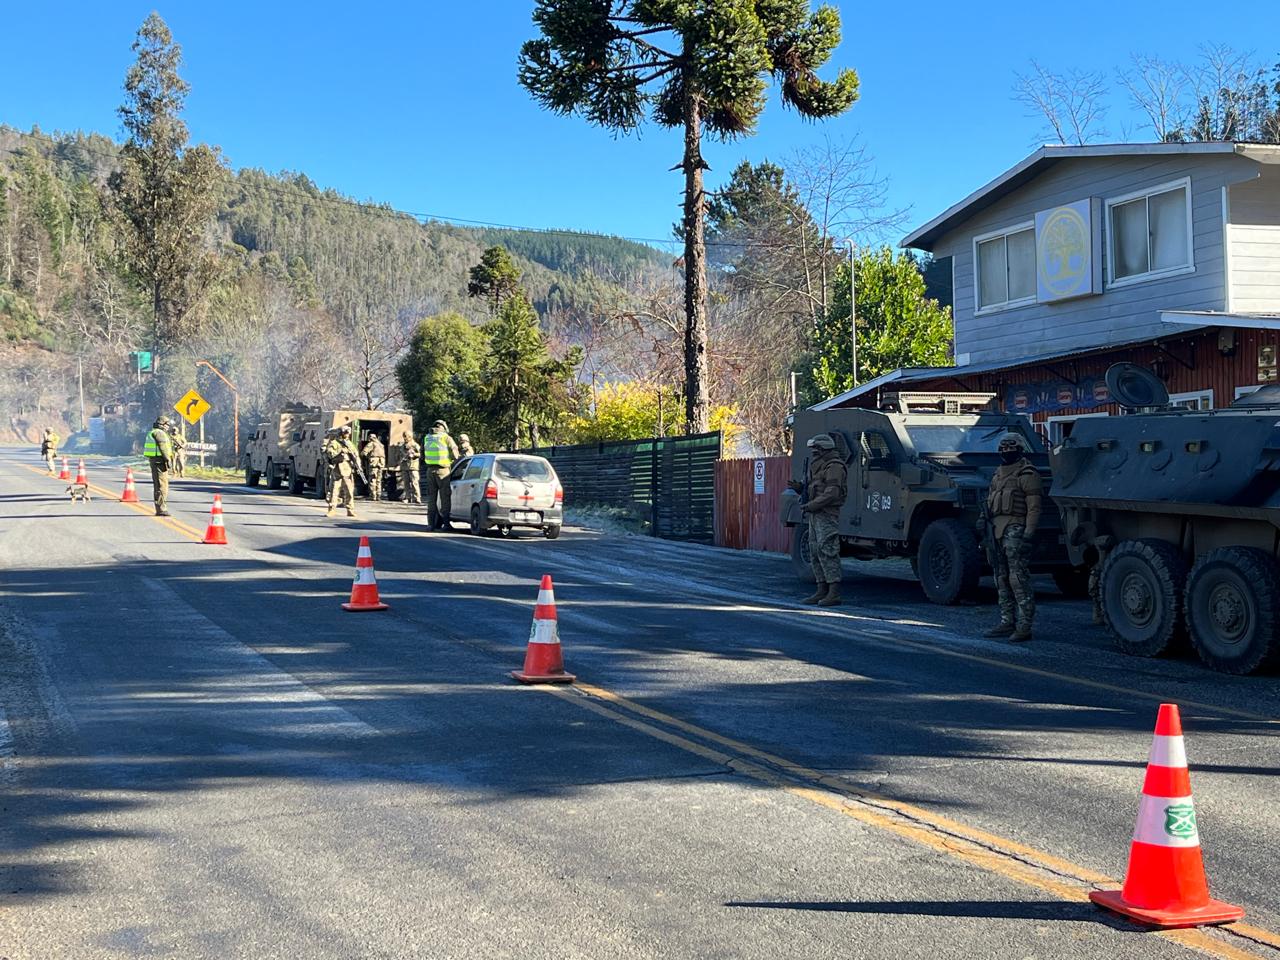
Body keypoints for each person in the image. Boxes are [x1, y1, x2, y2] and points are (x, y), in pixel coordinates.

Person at [983, 433, 1043, 642]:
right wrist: (983, 520)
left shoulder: (1027, 473)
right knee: (1000, 577)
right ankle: (1007, 620)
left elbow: (1034, 507)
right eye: (1003, 448)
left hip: (1016, 528)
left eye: (1011, 448)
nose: (1006, 452)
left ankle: (1024, 625)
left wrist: (1028, 533)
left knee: (1018, 578)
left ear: (1019, 449)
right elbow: (990, 500)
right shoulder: (998, 474)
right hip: (996, 530)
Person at [788, 433, 848, 607]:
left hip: (827, 514)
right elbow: (815, 488)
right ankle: (822, 589)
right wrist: (800, 489)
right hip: (816, 514)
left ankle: (834, 592)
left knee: (827, 549)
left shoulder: (834, 466)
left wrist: (812, 505)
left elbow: (832, 493)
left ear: (823, 449)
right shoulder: (819, 465)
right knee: (814, 550)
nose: (813, 452)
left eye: (816, 449)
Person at [423, 419, 460, 530]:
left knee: (431, 498)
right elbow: (455, 454)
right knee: (445, 498)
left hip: (430, 471)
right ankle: (446, 524)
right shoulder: (446, 437)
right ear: (444, 427)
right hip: (443, 471)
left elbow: (421, 454)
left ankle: (430, 524)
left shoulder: (427, 437)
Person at [323, 425, 361, 519]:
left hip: (347, 470)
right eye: (345, 433)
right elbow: (330, 454)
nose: (347, 435)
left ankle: (350, 510)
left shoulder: (350, 444)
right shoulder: (334, 443)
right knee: (334, 491)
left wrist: (358, 466)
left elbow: (356, 455)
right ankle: (331, 509)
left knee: (349, 491)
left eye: (348, 434)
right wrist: (341, 452)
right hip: (337, 470)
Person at [143, 415, 175, 516]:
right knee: (161, 486)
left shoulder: (154, 432)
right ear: (162, 424)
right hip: (159, 462)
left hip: (156, 461)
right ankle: (161, 509)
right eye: (167, 425)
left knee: (160, 485)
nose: (168, 427)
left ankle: (160, 508)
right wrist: (168, 459)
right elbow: (163, 447)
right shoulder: (159, 433)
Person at [360, 432, 386, 501]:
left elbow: (363, 453)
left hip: (374, 463)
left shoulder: (371, 444)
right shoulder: (381, 445)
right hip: (381, 463)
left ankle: (372, 495)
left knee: (372, 479)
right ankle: (378, 495)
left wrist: (366, 457)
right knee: (379, 480)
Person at [399, 435, 422, 505]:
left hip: (413, 467)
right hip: (405, 466)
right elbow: (400, 455)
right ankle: (408, 497)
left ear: (410, 437)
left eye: (406, 436)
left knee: (415, 483)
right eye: (404, 436)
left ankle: (417, 498)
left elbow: (421, 454)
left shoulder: (415, 445)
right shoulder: (402, 446)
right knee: (406, 483)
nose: (405, 438)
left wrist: (414, 454)